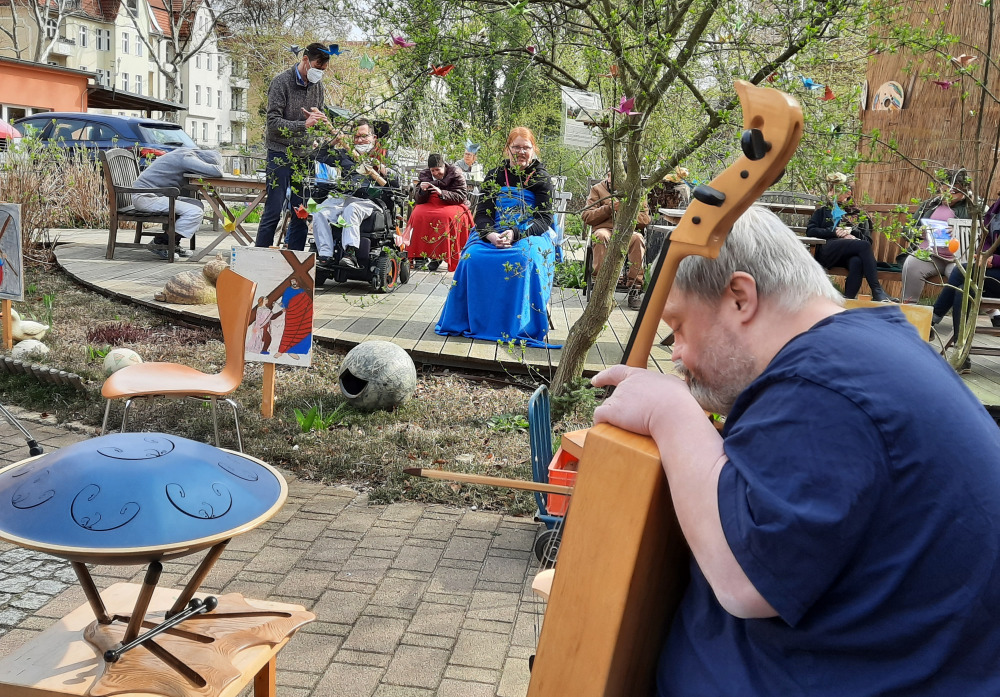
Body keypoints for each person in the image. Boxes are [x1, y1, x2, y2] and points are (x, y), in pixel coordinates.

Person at [591, 205, 1000, 697]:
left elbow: (744, 581)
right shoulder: (858, 346)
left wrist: (671, 411)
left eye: (678, 327)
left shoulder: (822, 385)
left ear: (740, 297)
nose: (675, 353)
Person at [435, 126, 559, 348]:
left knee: (524, 259)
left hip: (530, 232)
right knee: (471, 257)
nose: (521, 152)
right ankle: (472, 320)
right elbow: (482, 214)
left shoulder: (541, 177)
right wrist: (490, 235)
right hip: (494, 229)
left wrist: (516, 233)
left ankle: (517, 326)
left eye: (526, 148)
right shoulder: (495, 175)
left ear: (534, 149)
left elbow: (544, 219)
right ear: (507, 149)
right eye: (516, 147)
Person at [254, 43, 330, 252]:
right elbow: (272, 123)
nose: (319, 72)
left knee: (302, 210)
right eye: (317, 66)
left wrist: (319, 123)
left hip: (304, 155)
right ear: (305, 59)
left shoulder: (318, 86)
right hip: (280, 152)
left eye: (323, 70)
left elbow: (317, 116)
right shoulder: (281, 82)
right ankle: (259, 255)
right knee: (274, 208)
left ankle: (295, 259)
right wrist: (303, 125)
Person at [312, 119, 398, 270]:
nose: (360, 140)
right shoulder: (345, 153)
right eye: (356, 137)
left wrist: (379, 167)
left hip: (371, 201)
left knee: (352, 208)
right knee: (319, 211)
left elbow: (397, 179)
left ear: (374, 137)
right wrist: (334, 141)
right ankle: (325, 255)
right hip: (345, 197)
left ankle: (350, 253)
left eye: (364, 136)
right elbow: (318, 156)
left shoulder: (384, 154)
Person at [806, 175, 894, 301]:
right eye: (831, 190)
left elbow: (867, 241)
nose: (832, 193)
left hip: (849, 254)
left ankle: (847, 301)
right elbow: (811, 231)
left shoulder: (859, 215)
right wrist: (834, 232)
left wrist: (851, 231)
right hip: (828, 252)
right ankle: (877, 290)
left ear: (848, 193)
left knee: (857, 262)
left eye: (836, 190)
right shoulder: (823, 211)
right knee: (862, 246)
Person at [131, 148, 224, 259]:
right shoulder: (187, 158)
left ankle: (173, 243)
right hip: (145, 197)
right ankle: (161, 243)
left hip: (157, 195)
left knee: (197, 204)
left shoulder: (184, 153)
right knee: (194, 211)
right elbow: (217, 172)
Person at [581, 168, 651, 310]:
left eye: (613, 176)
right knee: (601, 236)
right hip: (604, 229)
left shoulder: (637, 192)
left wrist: (626, 210)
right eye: (608, 175)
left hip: (627, 232)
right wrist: (608, 208)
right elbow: (586, 216)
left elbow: (645, 219)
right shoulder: (597, 189)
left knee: (638, 238)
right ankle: (601, 288)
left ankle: (635, 288)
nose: (609, 179)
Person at [900, 168, 973, 303]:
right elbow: (906, 231)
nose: (947, 195)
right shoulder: (929, 205)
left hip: (958, 257)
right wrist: (919, 231)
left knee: (961, 276)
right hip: (930, 254)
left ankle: (992, 312)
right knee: (911, 264)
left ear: (964, 190)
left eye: (953, 192)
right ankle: (908, 307)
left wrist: (960, 231)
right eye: (944, 191)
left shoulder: (972, 208)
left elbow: (982, 236)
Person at [404, 153, 471, 272]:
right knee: (418, 214)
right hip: (430, 202)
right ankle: (419, 255)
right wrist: (423, 192)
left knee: (445, 218)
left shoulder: (455, 173)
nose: (435, 173)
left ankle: (438, 255)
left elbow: (461, 196)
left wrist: (442, 193)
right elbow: (419, 200)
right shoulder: (425, 175)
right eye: (432, 170)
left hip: (452, 203)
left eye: (437, 170)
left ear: (444, 166)